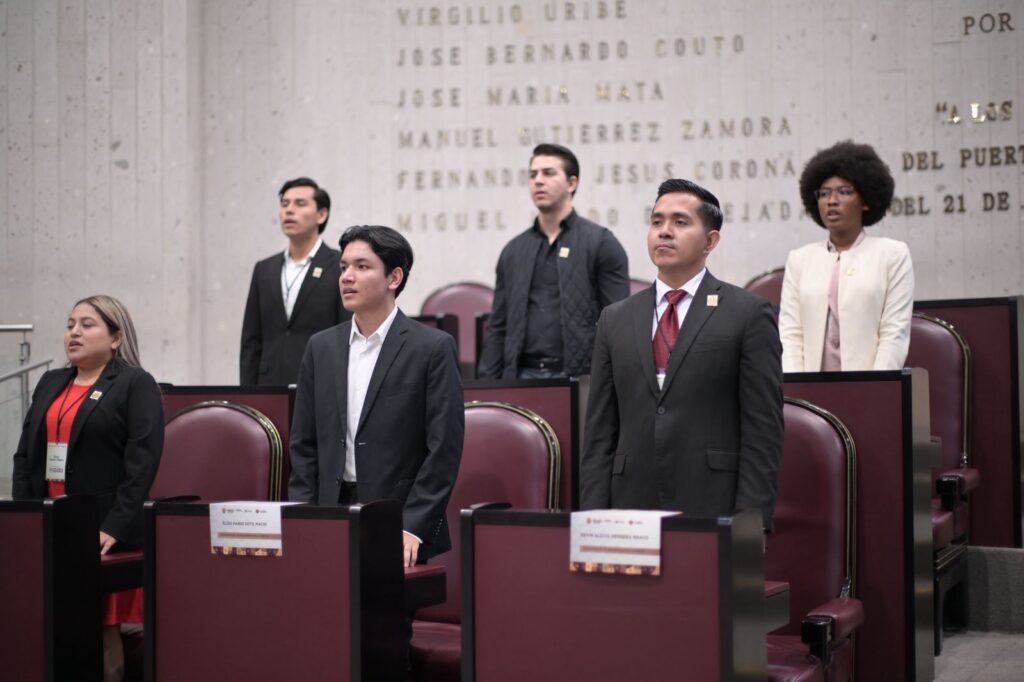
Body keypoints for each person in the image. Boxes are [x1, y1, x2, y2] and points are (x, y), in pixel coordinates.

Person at [580, 179, 784, 533]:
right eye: (657, 221)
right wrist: (593, 520)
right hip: (629, 507)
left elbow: (763, 431)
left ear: (710, 241)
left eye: (680, 222)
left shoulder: (747, 314)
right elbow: (599, 432)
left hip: (714, 503)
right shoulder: (614, 319)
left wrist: (752, 523)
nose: (664, 231)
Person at [288, 225, 464, 567]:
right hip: (329, 515)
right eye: (343, 267)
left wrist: (413, 526)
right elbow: (304, 445)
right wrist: (304, 518)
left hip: (398, 522)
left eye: (362, 266)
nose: (346, 276)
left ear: (394, 277)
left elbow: (444, 448)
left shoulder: (431, 348)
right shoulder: (321, 348)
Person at [12, 295, 164, 682]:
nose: (74, 333)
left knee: (102, 631)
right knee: (46, 626)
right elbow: (25, 454)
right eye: (70, 325)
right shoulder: (51, 381)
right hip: (51, 524)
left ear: (115, 338)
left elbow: (142, 464)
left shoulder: (134, 384)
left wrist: (114, 526)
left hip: (103, 531)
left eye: (87, 324)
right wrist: (25, 519)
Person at [478, 143, 629, 379]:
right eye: (533, 175)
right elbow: (499, 326)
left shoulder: (601, 243)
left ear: (571, 183)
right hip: (521, 376)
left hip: (581, 378)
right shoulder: (513, 251)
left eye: (548, 173)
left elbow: (618, 325)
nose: (538, 181)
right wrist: (488, 383)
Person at [779, 140, 914, 372]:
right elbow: (790, 335)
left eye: (844, 191)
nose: (832, 200)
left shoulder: (892, 255)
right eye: (824, 193)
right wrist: (796, 387)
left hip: (870, 386)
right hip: (809, 388)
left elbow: (894, 333)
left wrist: (877, 386)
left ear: (866, 200)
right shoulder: (799, 260)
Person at [240, 177, 350, 385]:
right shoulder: (264, 269)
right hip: (269, 386)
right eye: (284, 204)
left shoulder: (339, 265)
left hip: (320, 382)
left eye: (300, 204)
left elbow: (346, 333)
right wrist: (248, 393)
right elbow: (251, 342)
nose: (289, 210)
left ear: (321, 214)